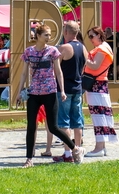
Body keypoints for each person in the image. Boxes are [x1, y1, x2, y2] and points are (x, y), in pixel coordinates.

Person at [14, 24, 82, 168]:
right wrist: (19, 92)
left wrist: (62, 90)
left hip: (50, 92)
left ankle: (75, 148)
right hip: (34, 93)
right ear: (38, 36)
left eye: (50, 35)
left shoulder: (53, 51)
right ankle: (29, 159)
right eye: (46, 35)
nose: (49, 37)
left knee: (53, 127)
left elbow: (58, 72)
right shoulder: (29, 52)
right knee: (31, 126)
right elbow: (24, 73)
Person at [51, 20, 89, 163]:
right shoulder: (84, 48)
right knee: (77, 121)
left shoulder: (64, 48)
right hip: (78, 88)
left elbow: (56, 69)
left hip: (64, 89)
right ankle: (78, 149)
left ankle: (68, 153)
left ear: (66, 32)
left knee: (64, 122)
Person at [84, 25, 117, 157]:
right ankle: (101, 147)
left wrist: (84, 58)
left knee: (98, 116)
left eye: (92, 36)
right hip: (99, 85)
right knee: (100, 116)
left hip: (97, 85)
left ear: (99, 35)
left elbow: (95, 65)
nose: (91, 39)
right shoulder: (104, 48)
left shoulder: (102, 49)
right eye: (89, 36)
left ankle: (99, 148)